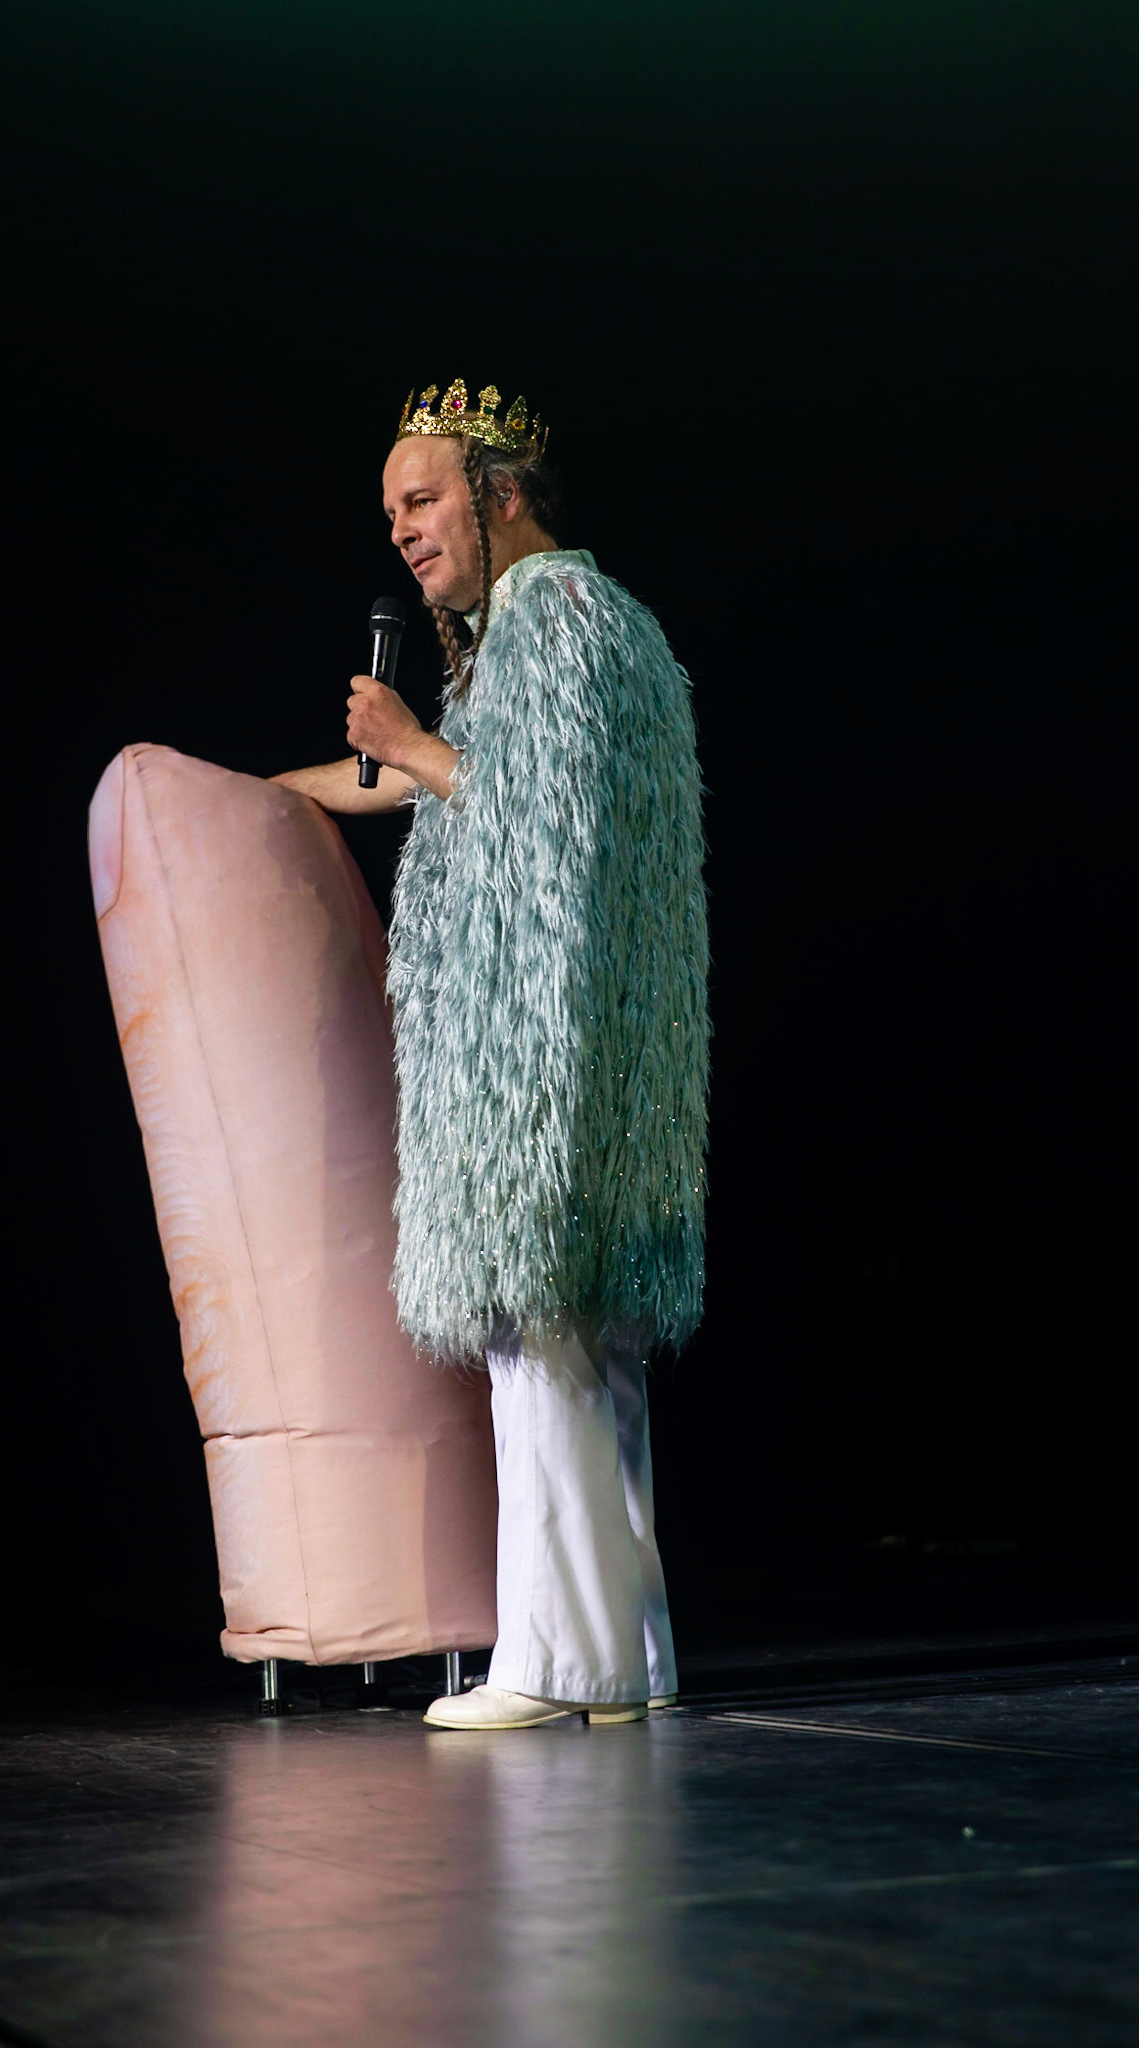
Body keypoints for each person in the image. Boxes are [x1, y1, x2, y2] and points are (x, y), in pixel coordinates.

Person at [272, 378, 709, 1729]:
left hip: (547, 1062)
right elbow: (443, 775)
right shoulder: (559, 625)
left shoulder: (556, 622)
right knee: (567, 1350)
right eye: (391, 511)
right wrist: (265, 796)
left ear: (497, 490)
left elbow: (535, 802)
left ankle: (559, 1666)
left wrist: (408, 743)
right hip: (577, 1053)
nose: (400, 532)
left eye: (421, 500)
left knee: (550, 1346)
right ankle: (612, 1663)